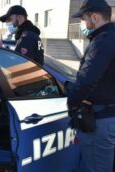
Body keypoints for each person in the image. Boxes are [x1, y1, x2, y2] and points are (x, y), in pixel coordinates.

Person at [67, 0, 115, 172]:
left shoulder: (102, 41)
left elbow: (86, 80)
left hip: (100, 120)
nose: (82, 23)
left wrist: (72, 104)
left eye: (83, 18)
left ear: (94, 17)